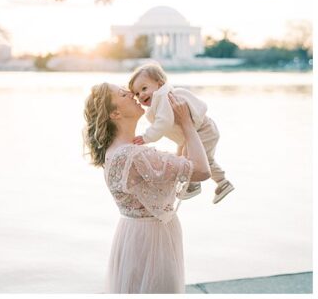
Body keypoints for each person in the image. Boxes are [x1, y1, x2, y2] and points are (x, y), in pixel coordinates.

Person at [84, 83, 211, 293]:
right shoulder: (136, 155)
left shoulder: (114, 151)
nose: (132, 95)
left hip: (131, 234)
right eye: (123, 94)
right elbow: (201, 170)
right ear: (115, 113)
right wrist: (187, 124)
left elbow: (170, 169)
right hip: (153, 240)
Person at [129, 63, 233, 203]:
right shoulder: (159, 103)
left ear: (159, 85)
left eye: (144, 88)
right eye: (137, 93)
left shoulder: (164, 98)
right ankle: (220, 182)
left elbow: (163, 122)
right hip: (197, 132)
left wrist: (146, 137)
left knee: (192, 159)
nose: (141, 95)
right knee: (194, 158)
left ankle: (196, 184)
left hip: (204, 130)